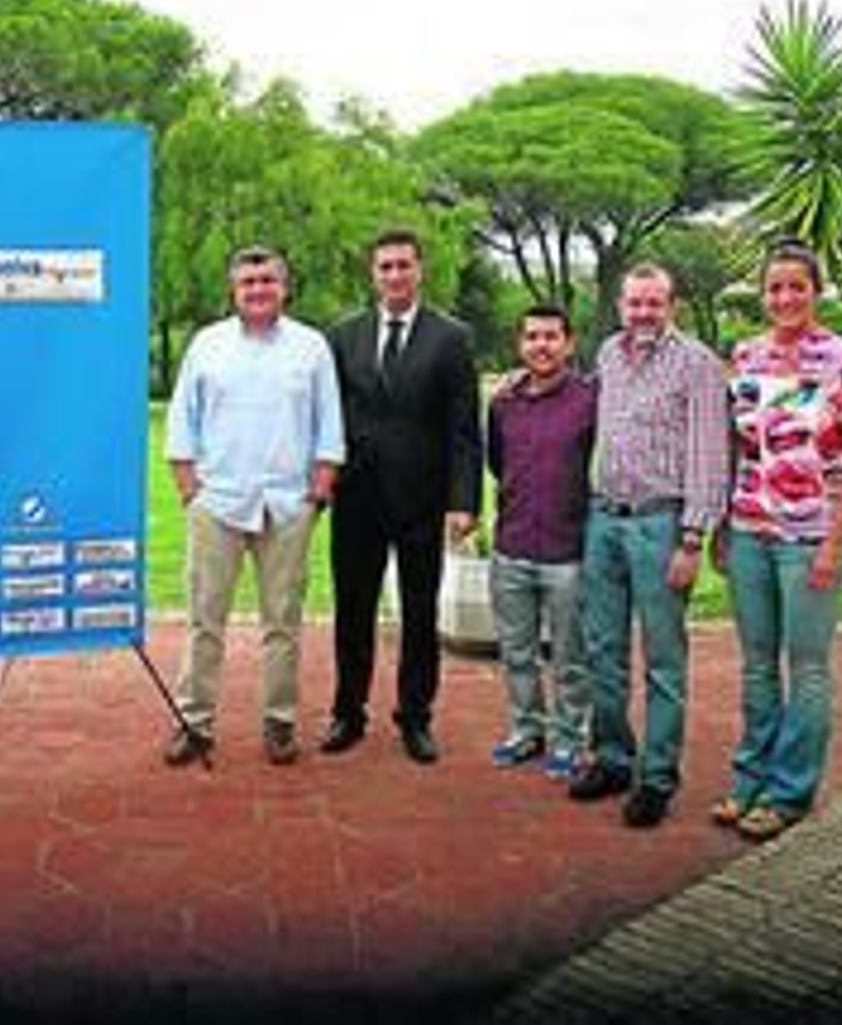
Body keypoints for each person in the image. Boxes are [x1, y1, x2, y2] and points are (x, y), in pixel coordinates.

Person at [711, 242, 842, 841]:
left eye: (795, 287)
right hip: (751, 529)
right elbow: (739, 444)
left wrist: (834, 541)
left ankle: (789, 792)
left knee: (806, 668)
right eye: (774, 288)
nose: (784, 299)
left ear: (816, 291)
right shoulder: (746, 355)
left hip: (810, 538)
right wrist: (726, 523)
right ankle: (750, 776)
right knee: (755, 665)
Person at [162, 246, 344, 767]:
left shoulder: (311, 347)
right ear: (233, 290)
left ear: (285, 287)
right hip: (216, 501)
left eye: (267, 280)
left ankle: (279, 722)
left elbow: (329, 424)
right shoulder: (207, 344)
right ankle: (194, 723)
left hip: (288, 504)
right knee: (204, 618)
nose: (258, 289)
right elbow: (182, 419)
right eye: (248, 282)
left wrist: (318, 491)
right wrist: (188, 489)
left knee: (283, 620)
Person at [567, 262, 728, 827]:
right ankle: (612, 757)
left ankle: (657, 778)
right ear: (620, 306)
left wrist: (693, 539)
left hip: (662, 526)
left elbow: (711, 454)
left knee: (663, 658)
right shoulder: (609, 355)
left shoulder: (699, 365)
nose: (642, 313)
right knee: (602, 651)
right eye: (634, 303)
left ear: (671, 305)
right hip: (604, 520)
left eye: (653, 303)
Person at [324, 229, 482, 764]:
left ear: (420, 271)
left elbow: (464, 428)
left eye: (403, 266)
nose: (394, 275)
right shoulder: (343, 337)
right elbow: (325, 422)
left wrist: (465, 501)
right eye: (385, 267)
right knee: (353, 612)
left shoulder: (451, 338)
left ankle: (415, 718)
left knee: (420, 615)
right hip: (356, 501)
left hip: (423, 501)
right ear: (373, 274)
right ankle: (348, 712)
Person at [485, 304, 597, 780]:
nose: (541, 345)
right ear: (520, 345)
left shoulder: (590, 400)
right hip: (512, 544)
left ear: (568, 344)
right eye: (532, 337)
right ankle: (525, 729)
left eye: (551, 336)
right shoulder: (504, 402)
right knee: (517, 652)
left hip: (567, 549)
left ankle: (571, 737)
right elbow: (496, 461)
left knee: (571, 656)